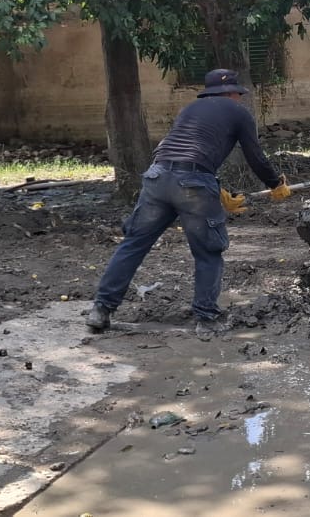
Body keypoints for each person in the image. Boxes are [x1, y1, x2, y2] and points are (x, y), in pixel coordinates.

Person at [86, 69, 292, 340]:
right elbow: (255, 156)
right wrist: (275, 184)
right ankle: (206, 318)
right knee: (208, 251)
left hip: (157, 177)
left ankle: (101, 310)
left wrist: (215, 190)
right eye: (238, 94)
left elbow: (184, 151)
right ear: (230, 93)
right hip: (193, 183)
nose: (239, 99)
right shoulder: (238, 113)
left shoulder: (190, 109)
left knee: (133, 244)